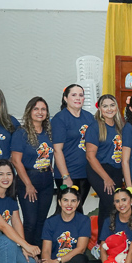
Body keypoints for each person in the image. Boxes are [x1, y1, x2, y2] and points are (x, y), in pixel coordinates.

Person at [21, 185, 91, 263]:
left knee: (81, 259)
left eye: (73, 201)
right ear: (59, 202)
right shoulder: (50, 222)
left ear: (77, 203)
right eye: (65, 200)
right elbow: (46, 250)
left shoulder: (84, 220)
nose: (69, 204)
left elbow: (80, 249)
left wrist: (56, 262)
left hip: (71, 261)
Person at [11, 97, 55, 248]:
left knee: (42, 221)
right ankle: (26, 254)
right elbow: (16, 161)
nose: (40, 112)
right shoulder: (21, 133)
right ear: (29, 111)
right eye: (36, 109)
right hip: (28, 180)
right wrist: (28, 184)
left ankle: (39, 254)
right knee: (30, 222)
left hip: (47, 180)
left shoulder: (49, 132)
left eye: (43, 109)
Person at [51, 84, 95, 212]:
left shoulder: (89, 117)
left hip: (86, 173)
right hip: (68, 174)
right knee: (66, 211)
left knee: (78, 210)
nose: (78, 98)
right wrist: (66, 177)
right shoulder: (60, 119)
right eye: (74, 95)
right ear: (65, 98)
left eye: (81, 95)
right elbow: (57, 150)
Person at [85, 94, 125, 232]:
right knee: (112, 204)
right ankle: (107, 238)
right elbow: (90, 156)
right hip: (99, 170)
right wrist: (106, 178)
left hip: (116, 170)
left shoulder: (120, 126)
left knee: (106, 207)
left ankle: (102, 239)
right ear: (100, 109)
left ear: (116, 108)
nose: (109, 109)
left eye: (112, 105)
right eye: (105, 106)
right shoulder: (95, 127)